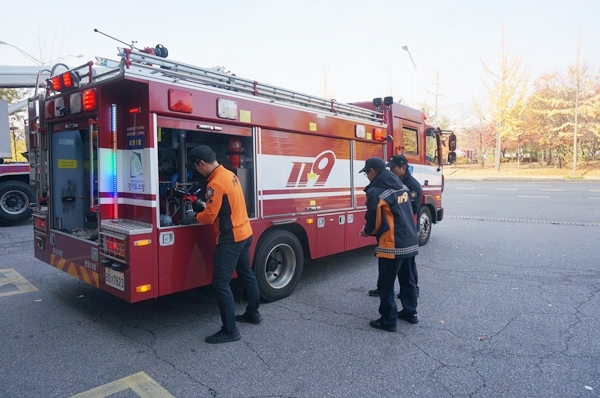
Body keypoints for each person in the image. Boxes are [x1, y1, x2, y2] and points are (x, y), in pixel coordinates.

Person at [185, 145, 262, 344]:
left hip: (230, 239)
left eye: (196, 167)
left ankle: (230, 331)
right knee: (246, 273)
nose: (197, 171)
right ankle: (253, 313)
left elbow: (210, 217)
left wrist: (194, 216)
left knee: (220, 284)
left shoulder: (214, 184)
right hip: (245, 233)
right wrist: (207, 207)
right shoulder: (229, 175)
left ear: (201, 163)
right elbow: (225, 206)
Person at [358, 157, 419, 331]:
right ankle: (410, 312)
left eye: (366, 173)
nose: (367, 177)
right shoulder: (402, 185)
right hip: (410, 239)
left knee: (386, 282)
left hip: (392, 243)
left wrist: (366, 231)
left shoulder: (377, 191)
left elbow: (374, 221)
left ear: (372, 171)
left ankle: (388, 320)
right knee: (408, 280)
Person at [368, 154, 422, 298]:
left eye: (393, 168)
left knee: (407, 268)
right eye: (389, 168)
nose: (391, 171)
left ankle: (412, 290)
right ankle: (383, 288)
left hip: (403, 230)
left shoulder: (411, 185)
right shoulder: (395, 182)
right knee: (386, 267)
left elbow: (412, 209)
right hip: (393, 229)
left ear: (403, 167)